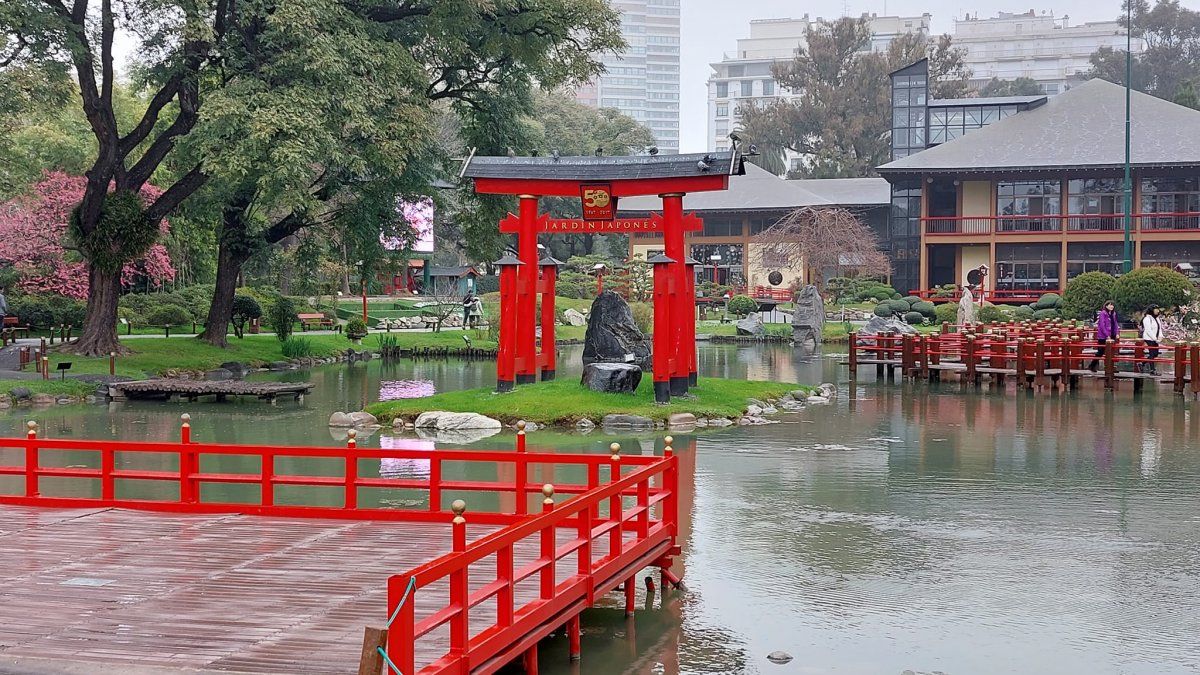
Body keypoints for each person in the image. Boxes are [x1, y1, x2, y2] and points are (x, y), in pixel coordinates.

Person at [1088, 300, 1120, 372]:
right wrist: (1107, 335)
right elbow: (1102, 325)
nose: (1111, 306)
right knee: (1100, 352)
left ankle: (1111, 367)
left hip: (1112, 335)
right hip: (1103, 336)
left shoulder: (1113, 313)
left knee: (1111, 352)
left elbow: (1115, 324)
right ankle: (1092, 365)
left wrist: (1117, 333)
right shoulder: (1103, 313)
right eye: (1109, 305)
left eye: (1112, 305)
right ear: (1106, 306)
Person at [1140, 304, 1163, 374]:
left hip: (1155, 338)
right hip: (1149, 338)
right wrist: (1155, 339)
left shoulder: (1157, 318)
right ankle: (1152, 370)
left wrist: (1160, 336)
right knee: (1152, 353)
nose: (1157, 311)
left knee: (1155, 354)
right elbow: (1148, 330)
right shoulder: (1147, 318)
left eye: (1158, 309)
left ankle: (1142, 363)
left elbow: (1159, 328)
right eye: (1155, 309)